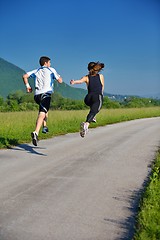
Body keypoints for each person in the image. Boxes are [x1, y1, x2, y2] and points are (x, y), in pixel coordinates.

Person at [22, 56, 62, 146]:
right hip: (46, 94)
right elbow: (60, 81)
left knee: (44, 109)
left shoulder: (36, 70)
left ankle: (45, 126)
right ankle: (36, 132)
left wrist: (28, 86)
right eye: (49, 62)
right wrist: (59, 78)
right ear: (46, 63)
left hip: (37, 95)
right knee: (42, 113)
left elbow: (24, 76)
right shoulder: (51, 69)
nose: (50, 64)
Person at [70, 61, 104, 137]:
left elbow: (80, 81)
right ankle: (86, 124)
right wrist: (101, 96)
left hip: (88, 98)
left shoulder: (86, 77)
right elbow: (102, 87)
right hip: (97, 96)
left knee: (93, 108)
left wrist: (74, 82)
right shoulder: (100, 76)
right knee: (97, 107)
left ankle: (93, 117)